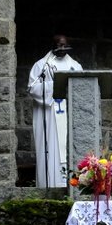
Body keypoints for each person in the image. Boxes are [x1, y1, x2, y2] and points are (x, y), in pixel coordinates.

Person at [28, 34, 83, 188]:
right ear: (53, 46)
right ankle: (49, 185)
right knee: (51, 149)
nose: (62, 49)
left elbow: (82, 89)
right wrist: (55, 85)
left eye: (65, 46)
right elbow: (32, 88)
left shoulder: (75, 66)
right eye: (59, 45)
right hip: (50, 115)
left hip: (68, 115)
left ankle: (72, 185)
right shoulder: (42, 66)